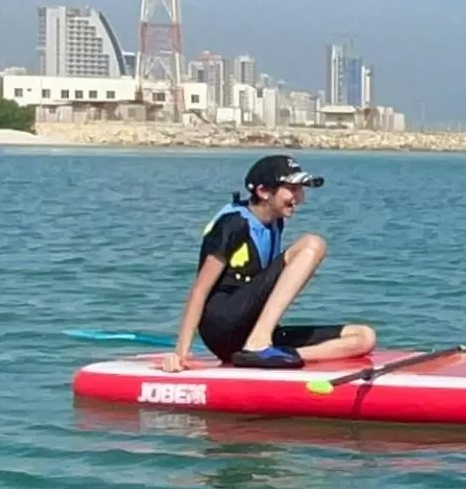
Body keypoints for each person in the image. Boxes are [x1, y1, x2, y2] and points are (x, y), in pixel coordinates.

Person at [162, 155, 377, 372]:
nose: (299, 198)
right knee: (313, 244)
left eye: (300, 190)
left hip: (250, 330)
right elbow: (199, 290)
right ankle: (258, 345)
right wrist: (181, 353)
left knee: (364, 337)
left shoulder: (275, 223)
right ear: (264, 191)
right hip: (222, 325)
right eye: (292, 189)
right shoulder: (233, 224)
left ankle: (274, 355)